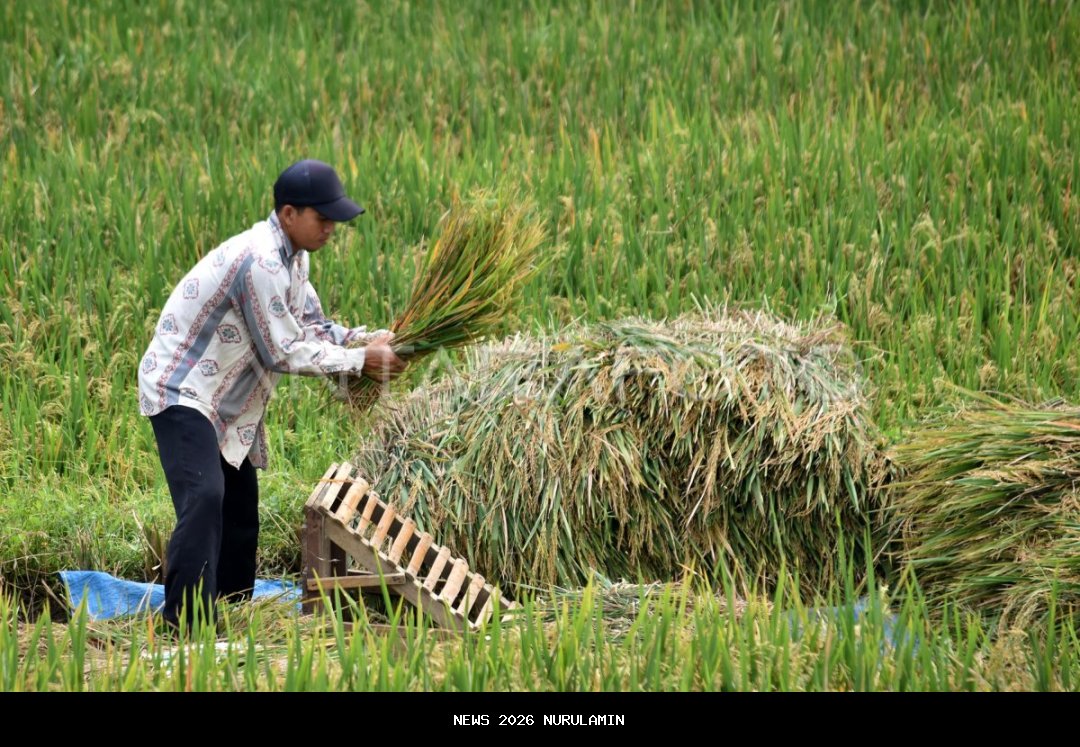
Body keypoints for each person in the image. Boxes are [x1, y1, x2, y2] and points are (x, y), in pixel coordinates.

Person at [137, 158, 405, 631]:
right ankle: (184, 625)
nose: (330, 229)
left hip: (224, 400)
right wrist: (365, 363)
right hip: (183, 388)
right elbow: (284, 350)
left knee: (239, 510)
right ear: (288, 214)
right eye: (322, 219)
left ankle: (236, 612)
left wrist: (379, 340)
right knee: (204, 497)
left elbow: (316, 329)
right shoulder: (261, 261)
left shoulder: (293, 261)